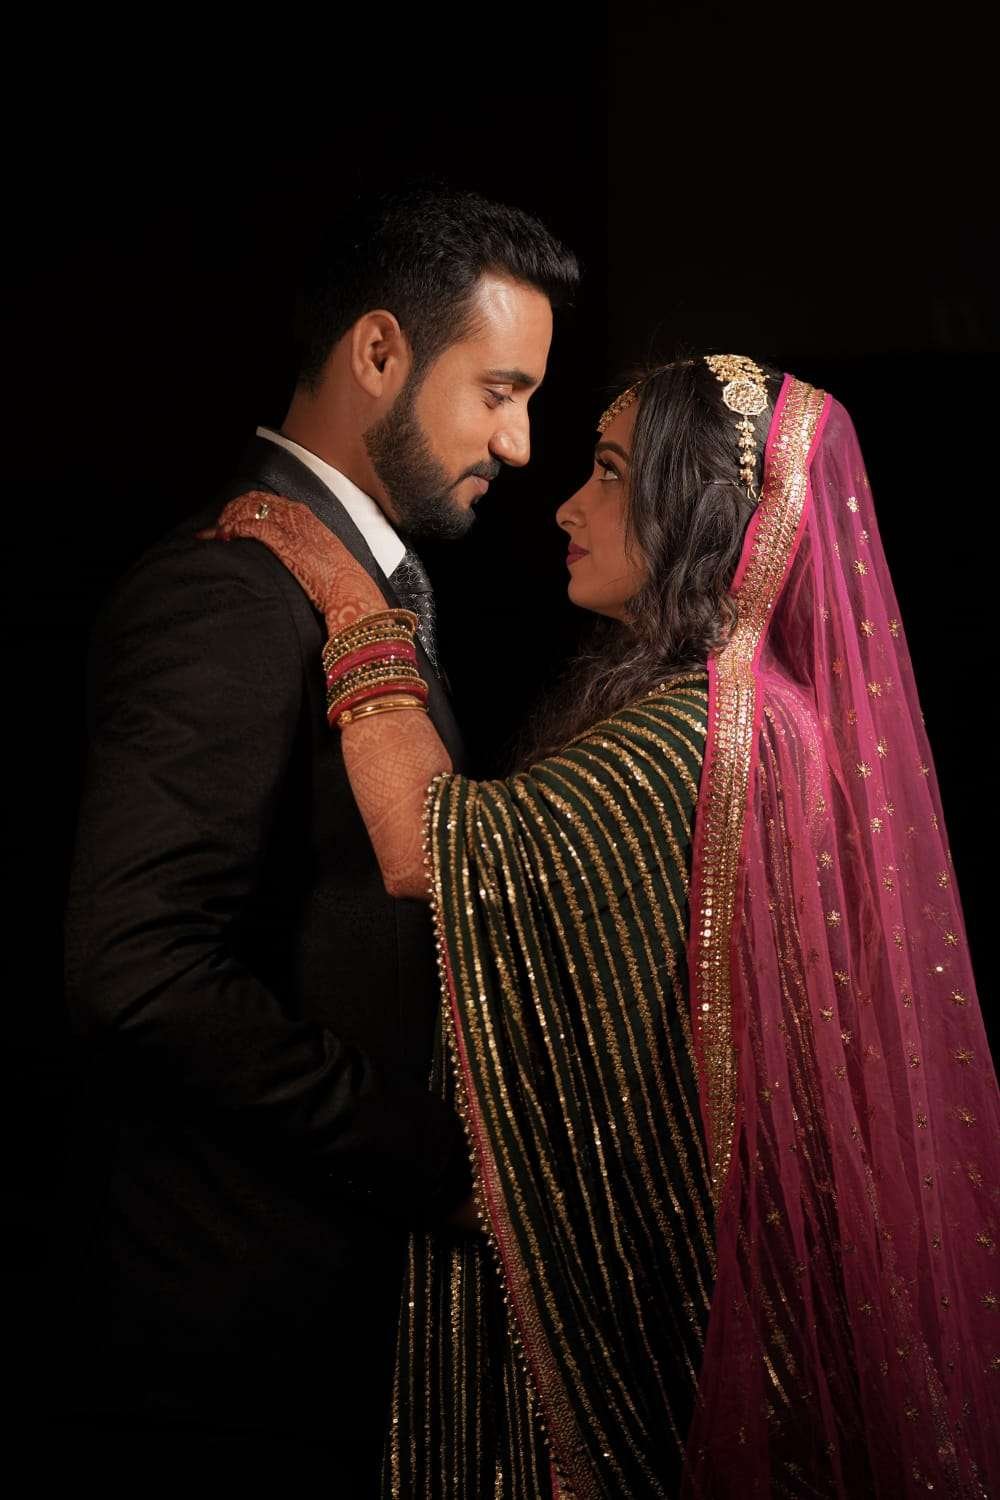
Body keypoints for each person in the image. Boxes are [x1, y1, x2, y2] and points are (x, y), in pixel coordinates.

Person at [205, 355, 999, 1497]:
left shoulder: (700, 733)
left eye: (613, 473)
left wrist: (352, 604)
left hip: (669, 1320)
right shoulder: (764, 715)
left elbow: (425, 847)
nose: (567, 506)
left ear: (696, 509)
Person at [63, 186, 579, 1486]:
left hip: (333, 1337)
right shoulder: (228, 591)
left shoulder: (371, 583)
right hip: (246, 1353)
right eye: (500, 392)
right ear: (380, 353)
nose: (520, 445)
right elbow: (138, 968)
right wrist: (434, 1159)